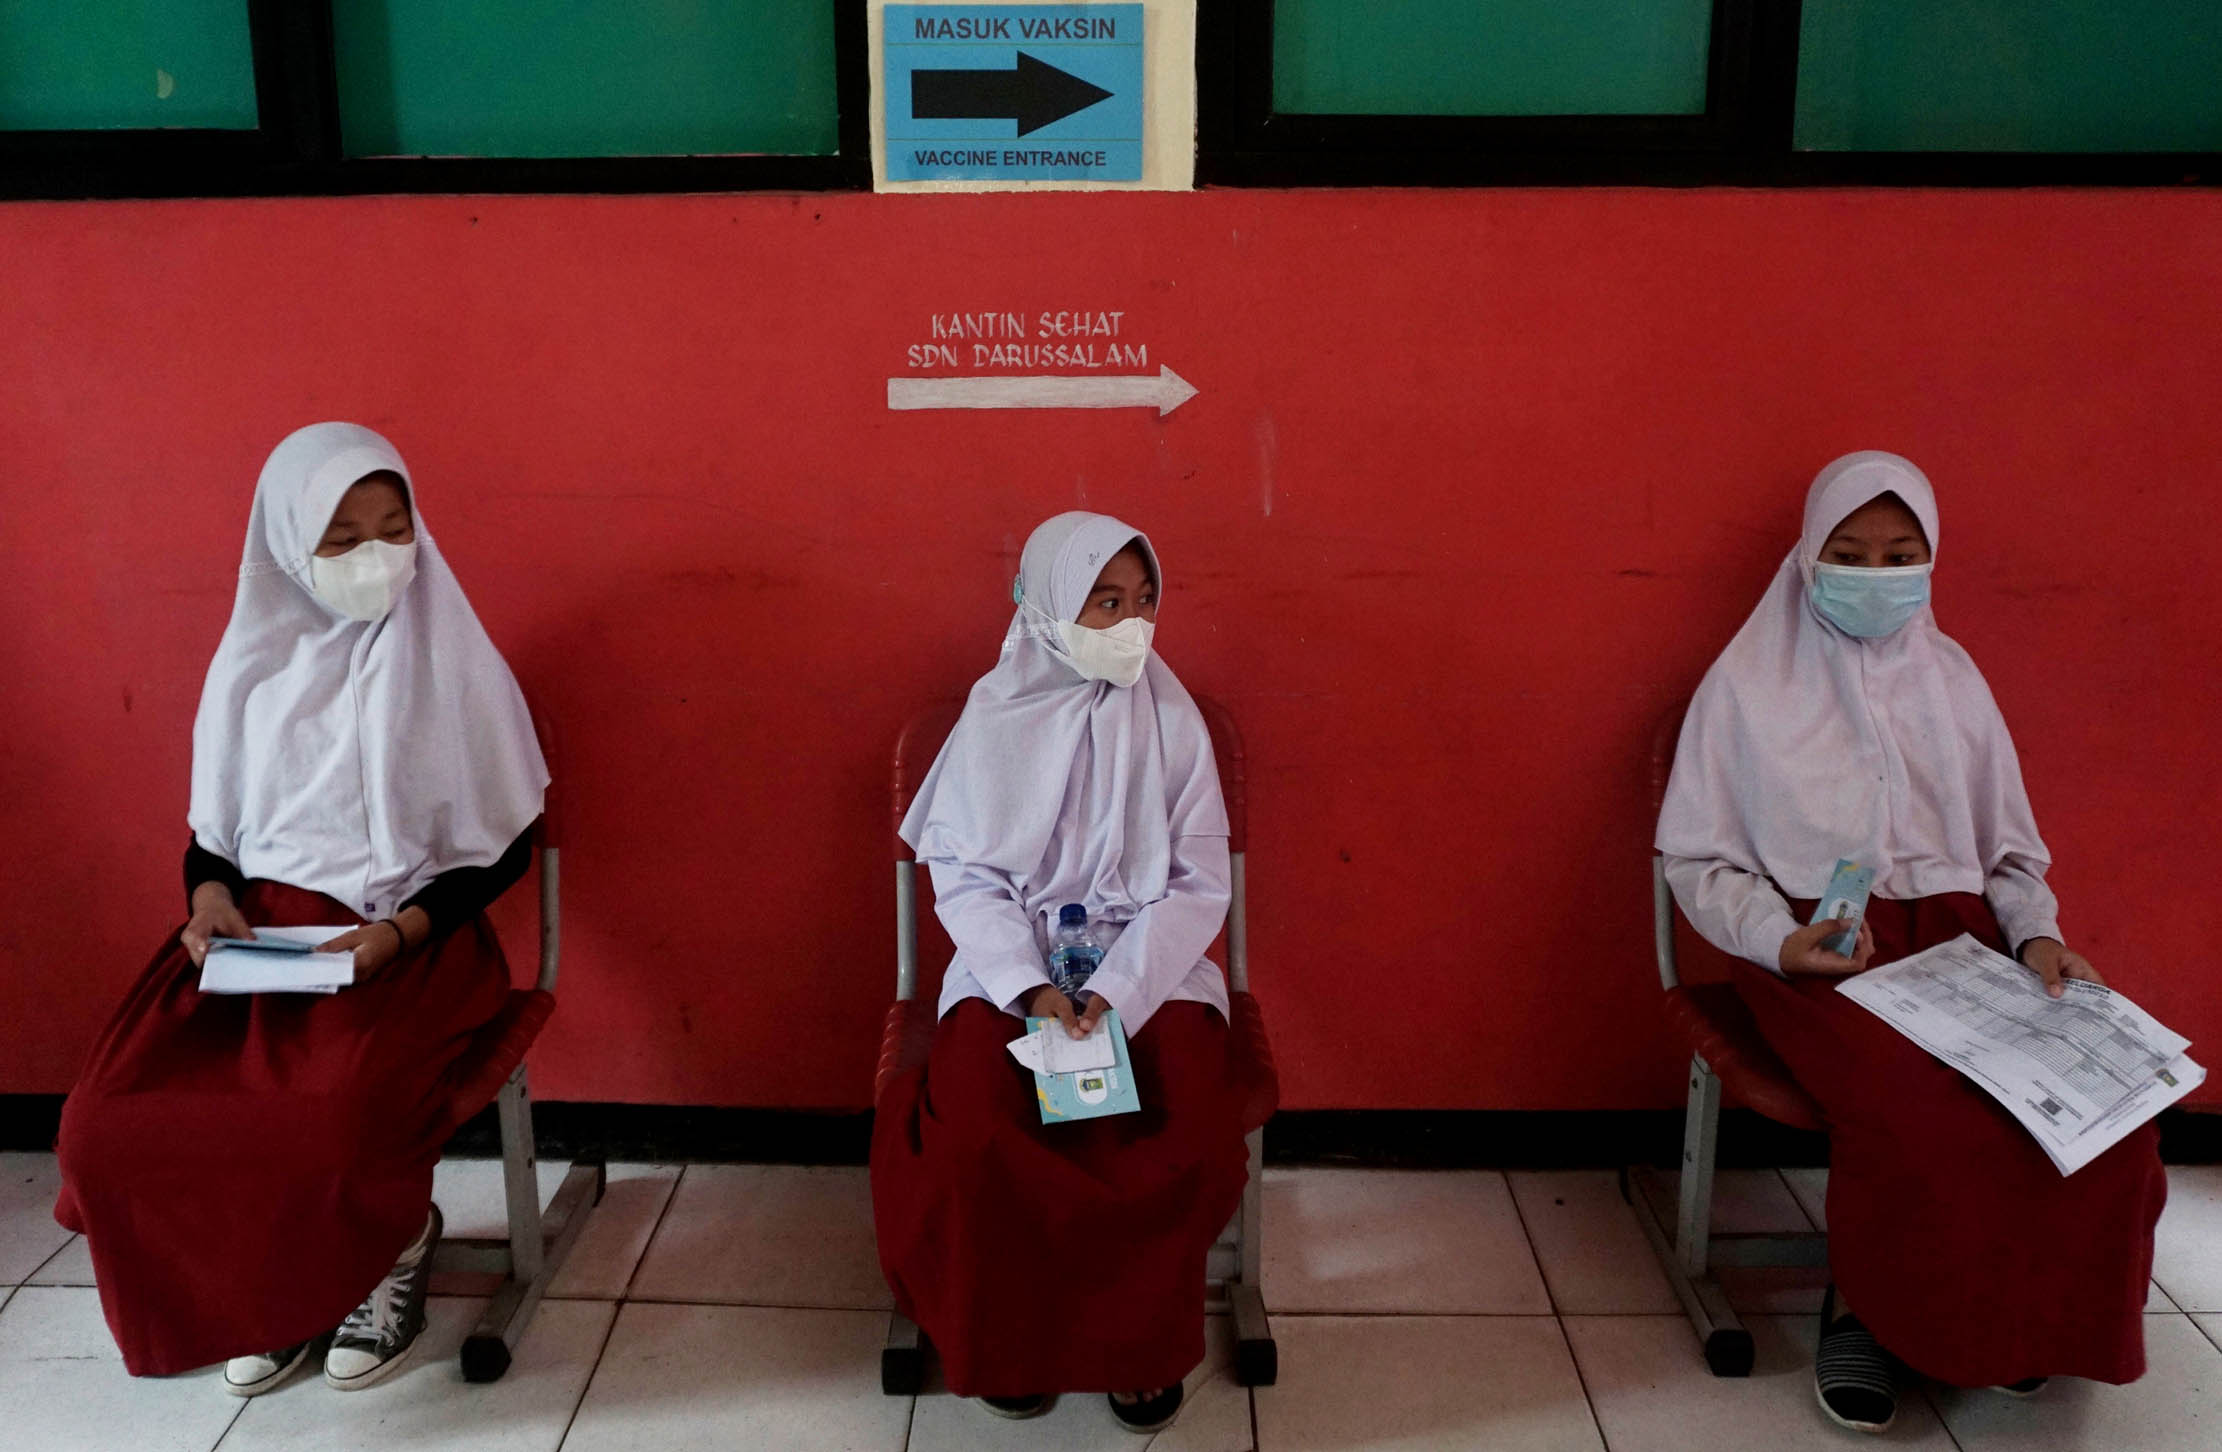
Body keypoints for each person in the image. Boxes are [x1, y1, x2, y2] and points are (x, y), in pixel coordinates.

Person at [1656, 451, 2166, 1433]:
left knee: (2097, 1106)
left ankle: (2022, 1325)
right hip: (1818, 945)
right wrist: (1776, 939)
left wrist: (2037, 939)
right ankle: (1871, 1318)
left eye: (1899, 554)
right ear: (1806, 558)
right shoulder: (1744, 688)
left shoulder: (1955, 684)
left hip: (1963, 943)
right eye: (1846, 552)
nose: (1873, 572)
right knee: (1916, 1106)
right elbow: (1696, 861)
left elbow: (2010, 852)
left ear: (1931, 562)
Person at [53, 422, 550, 1396]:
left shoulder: (450, 658)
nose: (375, 557)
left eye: (391, 528)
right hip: (262, 940)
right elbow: (216, 836)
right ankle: (261, 1288)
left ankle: (388, 1253)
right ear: (286, 548)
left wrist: (398, 933)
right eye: (340, 537)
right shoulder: (250, 673)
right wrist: (206, 899)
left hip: (415, 939)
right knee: (106, 1120)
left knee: (327, 1116)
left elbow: (502, 847)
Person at [871, 511, 1271, 1432]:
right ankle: (1011, 1341)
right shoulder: (991, 716)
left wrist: (1119, 993)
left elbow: (1197, 884)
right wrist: (1030, 987)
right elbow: (965, 875)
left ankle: (1136, 1348)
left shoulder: (1172, 718)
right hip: (1011, 970)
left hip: (1148, 969)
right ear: (1051, 606)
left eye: (1144, 602)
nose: (1131, 625)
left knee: (1179, 1126)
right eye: (1105, 602)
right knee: (975, 1126)